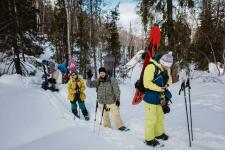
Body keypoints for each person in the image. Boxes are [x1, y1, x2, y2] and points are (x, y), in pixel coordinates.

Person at [143, 52, 173, 147]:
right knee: (151, 119)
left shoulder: (165, 68)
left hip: (161, 98)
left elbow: (170, 80)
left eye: (168, 67)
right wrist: (160, 88)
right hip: (151, 99)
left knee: (160, 118)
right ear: (161, 62)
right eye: (166, 66)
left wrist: (166, 85)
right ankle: (149, 139)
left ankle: (158, 134)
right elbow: (146, 84)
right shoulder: (150, 67)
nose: (167, 68)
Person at [86, 67, 128, 131]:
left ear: (105, 73)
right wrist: (89, 78)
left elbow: (117, 90)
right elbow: (89, 85)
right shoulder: (98, 80)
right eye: (100, 73)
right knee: (105, 116)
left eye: (103, 73)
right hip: (102, 102)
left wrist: (118, 100)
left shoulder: (112, 79)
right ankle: (107, 127)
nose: (102, 74)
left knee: (116, 114)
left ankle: (120, 126)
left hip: (112, 101)